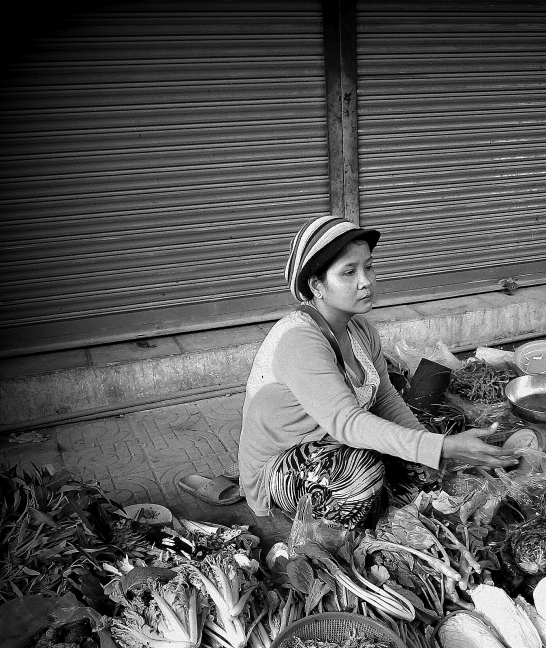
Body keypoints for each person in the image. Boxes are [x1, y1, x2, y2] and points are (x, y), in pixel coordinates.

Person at [184, 215, 519, 526]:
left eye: (369, 267)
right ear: (316, 286)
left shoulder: (360, 328)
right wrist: (442, 447)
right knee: (363, 477)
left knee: (425, 455)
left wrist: (432, 449)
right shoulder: (300, 341)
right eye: (349, 273)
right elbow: (347, 423)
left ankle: (388, 501)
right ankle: (326, 527)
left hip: (331, 443)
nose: (366, 282)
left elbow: (385, 398)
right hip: (282, 464)